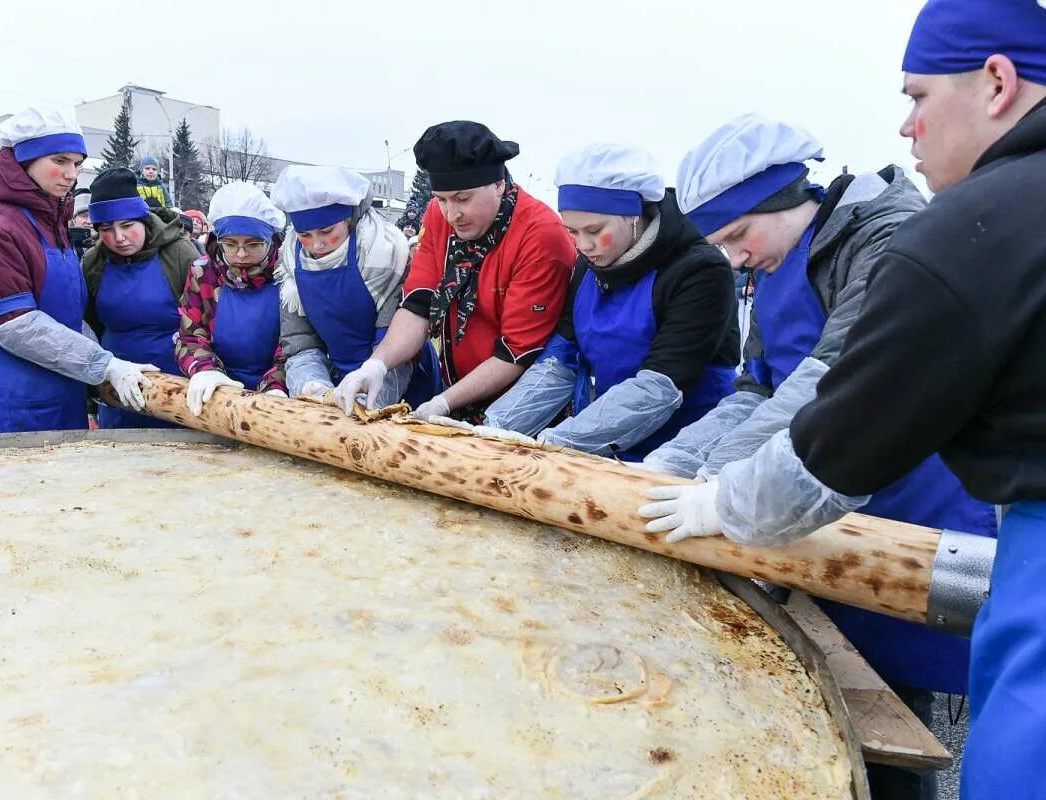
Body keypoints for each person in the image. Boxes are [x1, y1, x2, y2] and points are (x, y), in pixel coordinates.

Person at [638, 2, 1046, 796]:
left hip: (902, 506)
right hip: (822, 502)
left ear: (996, 82)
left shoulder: (958, 231)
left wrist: (724, 500)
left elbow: (837, 412)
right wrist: (681, 461)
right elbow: (759, 385)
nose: (906, 127)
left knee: (917, 724)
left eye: (918, 97)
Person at [484, 143, 738, 460]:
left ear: (632, 216)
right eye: (572, 232)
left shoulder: (698, 269)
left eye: (594, 230)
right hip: (603, 435)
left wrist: (559, 443)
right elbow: (561, 359)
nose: (584, 245)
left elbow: (661, 384)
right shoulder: (586, 267)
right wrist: (495, 427)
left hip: (681, 449)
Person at [336, 121, 575, 421]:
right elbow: (417, 306)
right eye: (442, 199)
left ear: (499, 184)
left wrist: (443, 402)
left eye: (463, 198)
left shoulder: (541, 234)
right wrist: (377, 364)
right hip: (458, 387)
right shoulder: (438, 215)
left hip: (521, 402)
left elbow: (517, 352)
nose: (452, 214)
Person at [0, 105, 156, 435]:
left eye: (77, 163)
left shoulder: (50, 225)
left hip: (59, 391)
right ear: (24, 160)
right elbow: (16, 325)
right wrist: (103, 365)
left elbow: (66, 317)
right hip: (9, 400)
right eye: (59, 161)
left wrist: (105, 360)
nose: (72, 174)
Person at [270, 165, 435, 407]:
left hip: (399, 377)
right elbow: (300, 341)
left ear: (348, 220)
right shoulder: (292, 262)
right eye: (305, 235)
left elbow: (395, 346)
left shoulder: (385, 256)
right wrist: (312, 384)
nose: (316, 245)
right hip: (339, 381)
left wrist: (368, 402)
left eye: (326, 231)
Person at [82, 168, 199, 429]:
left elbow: (203, 319)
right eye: (106, 229)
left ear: (143, 219)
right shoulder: (93, 262)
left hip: (176, 385)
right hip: (117, 387)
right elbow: (91, 323)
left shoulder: (179, 254)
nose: (118, 238)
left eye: (127, 226)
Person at [175, 181, 287, 415]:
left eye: (253, 244)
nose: (242, 254)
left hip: (278, 396)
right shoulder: (203, 273)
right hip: (218, 394)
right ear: (218, 240)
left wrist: (277, 386)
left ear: (270, 240)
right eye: (231, 244)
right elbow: (190, 335)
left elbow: (296, 343)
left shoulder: (287, 274)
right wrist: (205, 370)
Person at [68, 189, 94, 260]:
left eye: (93, 215)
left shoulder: (108, 245)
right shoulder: (65, 246)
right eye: (84, 216)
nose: (89, 221)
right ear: (73, 219)